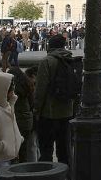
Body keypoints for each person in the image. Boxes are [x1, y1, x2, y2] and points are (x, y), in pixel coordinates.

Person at [33, 35, 77, 164]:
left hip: (49, 113)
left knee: (46, 150)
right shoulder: (70, 59)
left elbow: (40, 89)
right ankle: (68, 175)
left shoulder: (47, 61)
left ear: (50, 46)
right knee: (65, 151)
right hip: (67, 112)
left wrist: (36, 109)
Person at [8, 65, 35, 162]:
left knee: (14, 148)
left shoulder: (13, 89)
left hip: (16, 119)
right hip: (27, 119)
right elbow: (32, 103)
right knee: (24, 148)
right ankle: (23, 167)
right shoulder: (28, 85)